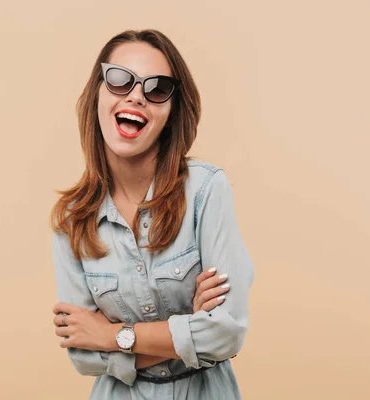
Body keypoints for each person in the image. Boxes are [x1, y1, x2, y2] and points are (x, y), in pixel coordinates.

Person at [50, 29, 255, 400]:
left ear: (172, 114)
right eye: (118, 80)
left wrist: (113, 337)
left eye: (157, 88)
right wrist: (188, 330)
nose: (136, 95)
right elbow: (82, 354)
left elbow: (226, 332)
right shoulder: (71, 218)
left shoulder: (206, 191)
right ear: (96, 94)